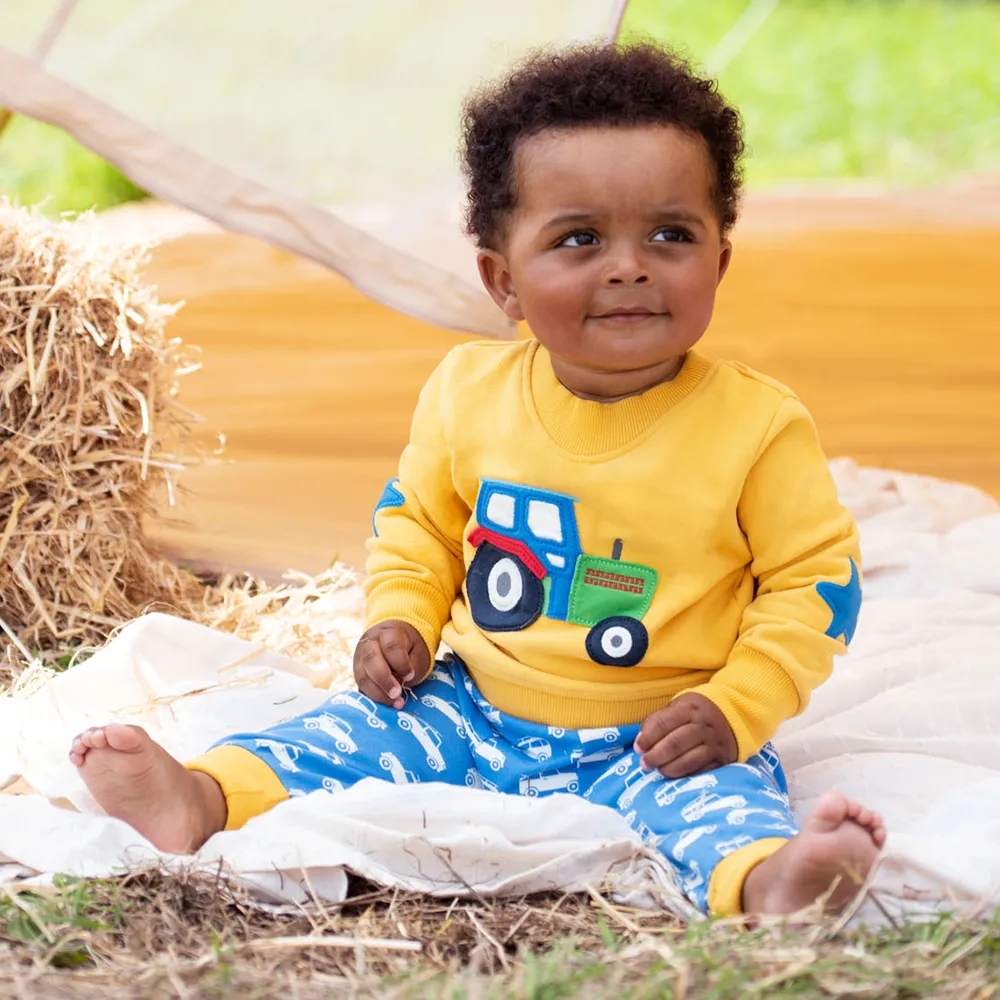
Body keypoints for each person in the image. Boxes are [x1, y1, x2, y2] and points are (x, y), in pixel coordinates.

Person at [69, 43, 883, 917]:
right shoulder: (468, 391)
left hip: (660, 729)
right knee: (336, 736)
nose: (629, 265)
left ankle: (772, 884)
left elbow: (813, 588)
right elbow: (417, 523)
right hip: (472, 706)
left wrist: (735, 707)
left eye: (670, 234)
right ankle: (199, 797)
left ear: (719, 261)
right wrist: (399, 618)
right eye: (579, 239)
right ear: (504, 281)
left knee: (719, 808)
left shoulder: (758, 426)